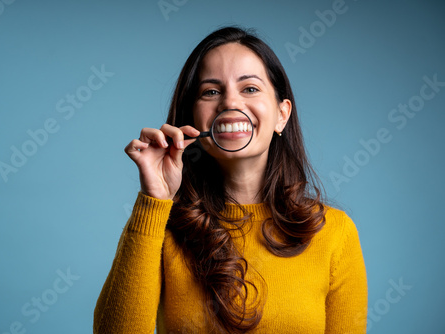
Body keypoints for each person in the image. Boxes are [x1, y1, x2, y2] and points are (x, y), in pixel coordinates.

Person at [93, 26, 367, 333]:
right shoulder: (162, 228)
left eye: (249, 88)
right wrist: (154, 200)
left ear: (281, 115)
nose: (229, 103)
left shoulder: (335, 234)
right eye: (211, 91)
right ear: (193, 119)